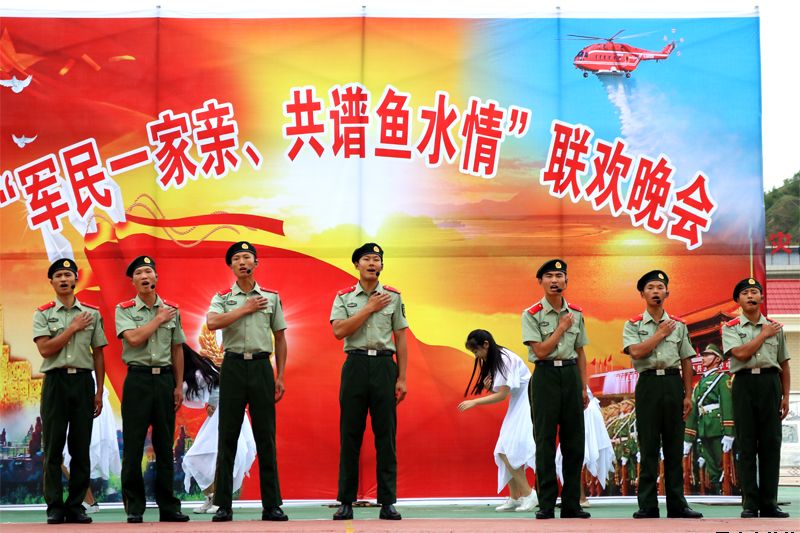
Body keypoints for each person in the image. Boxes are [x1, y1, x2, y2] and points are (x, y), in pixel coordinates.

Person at [206, 241, 289, 522]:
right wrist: (245, 308)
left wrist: (280, 375)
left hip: (262, 367)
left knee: (266, 436)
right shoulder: (223, 297)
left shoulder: (271, 297)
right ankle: (223, 505)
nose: (243, 262)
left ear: (256, 263)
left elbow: (280, 337)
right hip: (232, 367)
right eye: (237, 258)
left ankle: (272, 505)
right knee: (227, 436)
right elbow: (212, 323)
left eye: (247, 257)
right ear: (231, 266)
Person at [330, 243, 408, 521]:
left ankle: (387, 502)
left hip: (385, 366)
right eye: (367, 259)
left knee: (386, 436)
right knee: (350, 435)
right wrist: (369, 308)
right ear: (357, 265)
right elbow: (339, 331)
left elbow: (401, 337)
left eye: (377, 259)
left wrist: (402, 377)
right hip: (355, 365)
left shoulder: (394, 296)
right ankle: (346, 501)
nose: (372, 263)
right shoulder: (344, 297)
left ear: (382, 266)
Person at [622, 270, 702, 519]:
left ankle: (677, 505)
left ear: (667, 292)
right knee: (648, 446)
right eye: (650, 288)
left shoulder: (679, 325)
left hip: (673, 383)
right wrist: (659, 335)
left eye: (660, 287)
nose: (655, 291)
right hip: (648, 384)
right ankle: (648, 505)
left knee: (674, 447)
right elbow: (636, 352)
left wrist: (688, 394)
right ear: (642, 294)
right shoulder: (633, 324)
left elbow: (686, 360)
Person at [116, 255, 189, 523]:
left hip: (164, 381)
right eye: (139, 273)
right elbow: (134, 338)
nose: (144, 276)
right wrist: (158, 320)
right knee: (134, 446)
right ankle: (135, 507)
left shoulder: (172, 310)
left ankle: (168, 506)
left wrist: (178, 385)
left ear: (156, 277)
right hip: (138, 380)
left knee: (165, 445)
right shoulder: (124, 309)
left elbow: (177, 349)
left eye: (148, 272)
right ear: (133, 281)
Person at [33, 258, 107, 525]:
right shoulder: (43, 313)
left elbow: (98, 353)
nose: (64, 279)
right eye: (59, 276)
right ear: (51, 282)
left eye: (68, 275)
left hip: (83, 382)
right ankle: (54, 507)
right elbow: (45, 349)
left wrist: (99, 391)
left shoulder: (92, 313)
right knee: (53, 448)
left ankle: (76, 506)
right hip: (55, 382)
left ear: (76, 279)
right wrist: (73, 328)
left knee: (80, 448)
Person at [522, 258, 590, 519]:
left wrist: (583, 388)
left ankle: (572, 504)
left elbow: (580, 352)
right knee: (545, 441)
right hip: (545, 376)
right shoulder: (532, 314)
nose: (554, 281)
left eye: (559, 276)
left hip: (571, 375)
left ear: (566, 281)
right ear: (540, 281)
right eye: (549, 276)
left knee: (575, 441)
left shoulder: (577, 313)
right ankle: (547, 504)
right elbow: (540, 351)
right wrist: (561, 329)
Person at [721, 277, 791, 518]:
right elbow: (740, 354)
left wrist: (785, 396)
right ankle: (750, 503)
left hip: (770, 384)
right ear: (738, 300)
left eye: (754, 292)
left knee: (771, 444)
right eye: (745, 293)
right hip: (744, 384)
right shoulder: (731, 328)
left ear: (762, 297)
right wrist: (763, 335)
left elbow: (784, 363)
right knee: (747, 444)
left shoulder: (775, 327)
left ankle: (769, 503)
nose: (750, 296)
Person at [458, 329, 537, 512]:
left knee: (506, 449)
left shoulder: (504, 359)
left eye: (476, 351)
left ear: (486, 345)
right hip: (519, 402)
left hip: (527, 402)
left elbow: (502, 395)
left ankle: (528, 494)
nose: (476, 356)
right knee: (502, 450)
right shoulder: (498, 358)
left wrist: (475, 402)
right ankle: (515, 497)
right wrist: (491, 388)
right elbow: (502, 391)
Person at [180, 343, 257, 514]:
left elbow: (185, 394)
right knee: (205, 458)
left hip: (226, 412)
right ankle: (213, 497)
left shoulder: (197, 374)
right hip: (220, 413)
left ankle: (218, 499)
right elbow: (209, 395)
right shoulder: (203, 368)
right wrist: (210, 405)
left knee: (210, 457)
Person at [62, 370, 122, 514]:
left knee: (70, 454)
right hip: (74, 395)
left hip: (90, 399)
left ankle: (88, 500)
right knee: (65, 455)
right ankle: (88, 500)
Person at [683, 343, 734, 495]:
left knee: (723, 463)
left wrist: (729, 432)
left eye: (707, 355)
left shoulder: (723, 379)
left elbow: (727, 405)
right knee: (711, 464)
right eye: (703, 355)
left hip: (718, 427)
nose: (703, 358)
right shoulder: (700, 382)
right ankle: (716, 490)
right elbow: (693, 410)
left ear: (717, 359)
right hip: (704, 427)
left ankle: (728, 490)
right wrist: (688, 438)